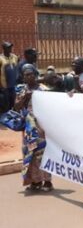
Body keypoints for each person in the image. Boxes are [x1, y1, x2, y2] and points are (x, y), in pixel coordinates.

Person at [14, 64, 53, 192]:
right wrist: (25, 97)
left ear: (36, 75)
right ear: (23, 77)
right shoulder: (21, 90)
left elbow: (51, 107)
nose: (29, 76)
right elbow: (17, 107)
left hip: (41, 127)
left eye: (31, 74)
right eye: (26, 75)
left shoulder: (43, 89)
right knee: (29, 152)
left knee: (42, 153)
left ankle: (47, 181)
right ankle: (35, 181)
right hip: (28, 128)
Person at [0, 41, 19, 110]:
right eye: (8, 48)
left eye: (10, 47)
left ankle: (13, 114)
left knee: (13, 100)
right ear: (4, 48)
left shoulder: (14, 57)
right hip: (4, 86)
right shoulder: (1, 58)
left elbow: (17, 65)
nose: (10, 49)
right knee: (6, 103)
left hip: (13, 85)